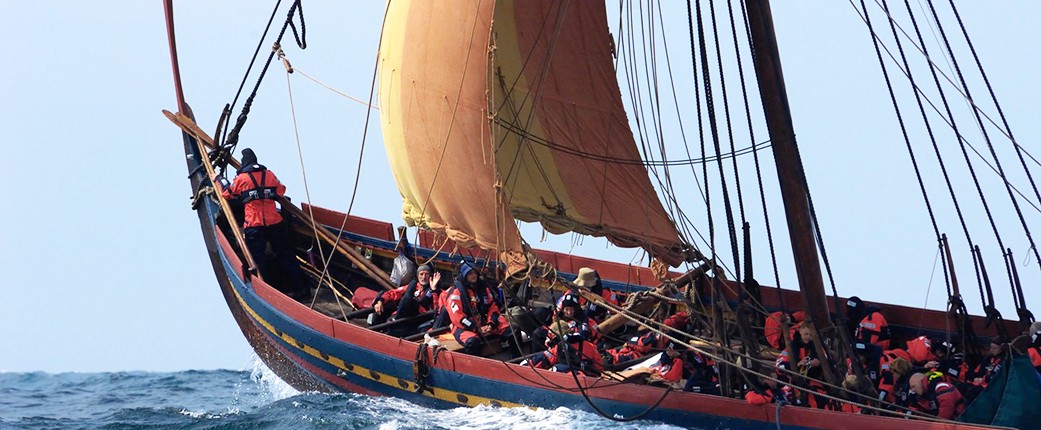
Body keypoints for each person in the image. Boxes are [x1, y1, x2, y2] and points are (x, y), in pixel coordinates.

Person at [213, 148, 306, 297]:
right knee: (286, 255)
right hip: (274, 222)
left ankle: (265, 293)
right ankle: (302, 289)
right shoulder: (269, 175)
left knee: (257, 260)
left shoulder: (242, 179)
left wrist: (218, 179)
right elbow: (281, 190)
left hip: (254, 225)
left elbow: (227, 193)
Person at [445, 263, 512, 355]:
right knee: (472, 342)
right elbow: (457, 317)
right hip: (466, 327)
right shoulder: (456, 293)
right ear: (464, 275)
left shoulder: (483, 288)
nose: (473, 275)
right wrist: (476, 328)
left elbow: (493, 308)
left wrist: (490, 324)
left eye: (475, 273)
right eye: (470, 273)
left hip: (485, 324)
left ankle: (519, 361)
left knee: (513, 331)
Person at [368, 265, 444, 331]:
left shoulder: (437, 291)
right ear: (417, 276)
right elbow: (393, 293)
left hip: (419, 317)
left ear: (430, 276)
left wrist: (433, 290)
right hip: (403, 314)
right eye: (421, 274)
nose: (423, 277)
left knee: (408, 298)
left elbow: (436, 308)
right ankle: (376, 324)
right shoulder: (413, 286)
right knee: (385, 294)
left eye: (426, 274)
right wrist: (380, 301)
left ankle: (394, 321)